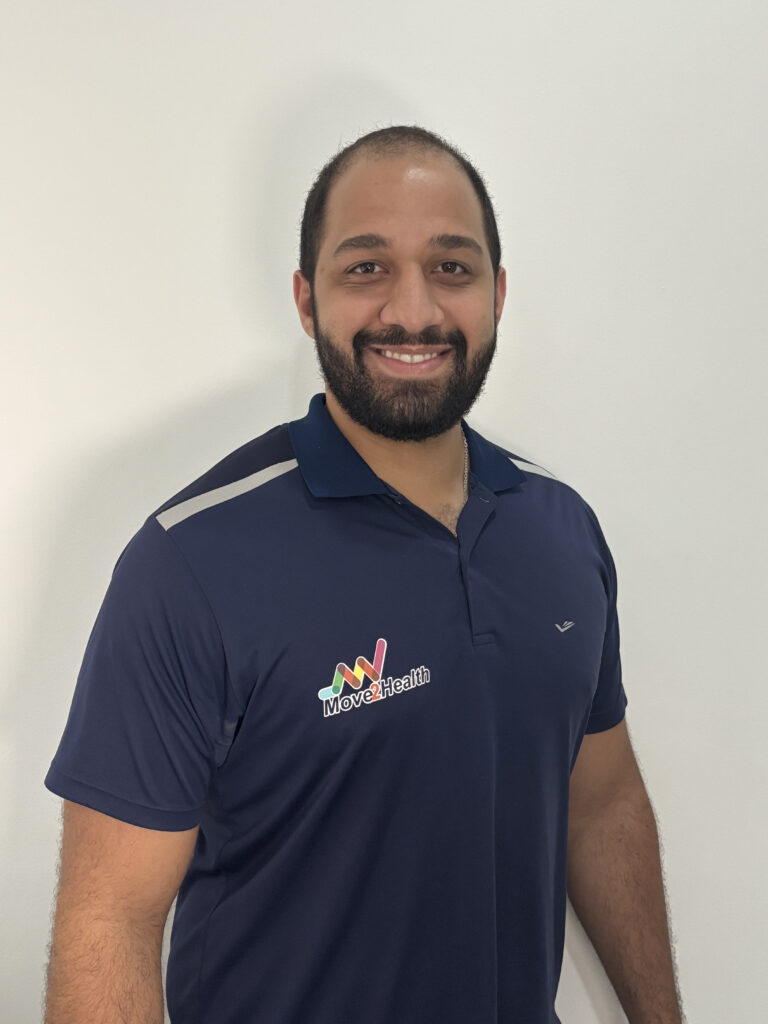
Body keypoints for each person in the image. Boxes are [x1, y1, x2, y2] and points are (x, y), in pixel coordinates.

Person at [43, 125, 684, 1024]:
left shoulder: (561, 531)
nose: (413, 311)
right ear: (307, 300)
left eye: (451, 268)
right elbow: (111, 920)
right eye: (366, 268)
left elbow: (602, 807)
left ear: (498, 294)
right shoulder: (191, 563)